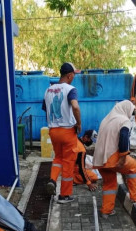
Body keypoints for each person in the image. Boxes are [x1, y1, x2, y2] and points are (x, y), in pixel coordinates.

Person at [93, 100, 136, 219]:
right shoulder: (124, 120)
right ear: (127, 109)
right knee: (134, 167)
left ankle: (106, 211)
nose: (132, 115)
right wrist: (123, 156)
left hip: (99, 159)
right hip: (112, 158)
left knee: (109, 184)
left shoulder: (107, 119)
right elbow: (124, 136)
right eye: (132, 112)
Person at [42, 62, 82, 204]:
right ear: (69, 75)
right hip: (67, 131)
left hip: (53, 131)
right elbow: (75, 107)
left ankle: (52, 180)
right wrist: (79, 123)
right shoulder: (71, 89)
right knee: (68, 163)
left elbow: (45, 108)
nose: (74, 78)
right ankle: (64, 195)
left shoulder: (49, 90)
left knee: (58, 158)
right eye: (74, 75)